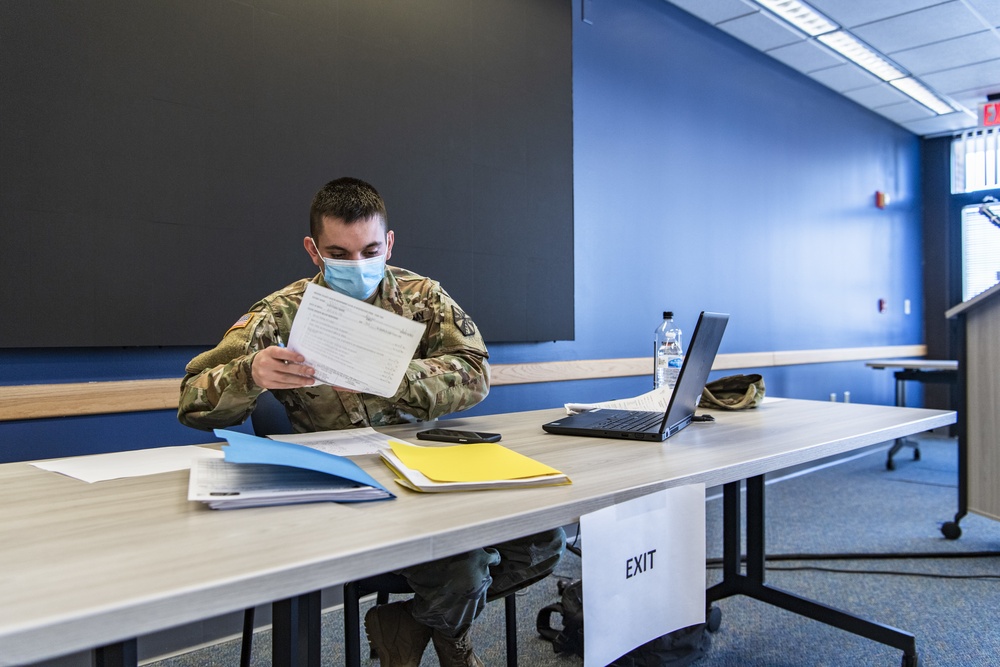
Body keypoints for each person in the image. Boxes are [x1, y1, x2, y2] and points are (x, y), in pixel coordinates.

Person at [178, 177, 565, 667]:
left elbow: (476, 373)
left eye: (370, 249)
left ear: (389, 243)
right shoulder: (282, 313)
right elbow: (191, 399)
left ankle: (410, 624)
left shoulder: (421, 296)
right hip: (345, 487)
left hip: (427, 470)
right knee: (463, 571)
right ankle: (452, 641)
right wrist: (249, 373)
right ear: (313, 250)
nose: (357, 265)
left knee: (544, 540)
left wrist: (394, 376)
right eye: (339, 253)